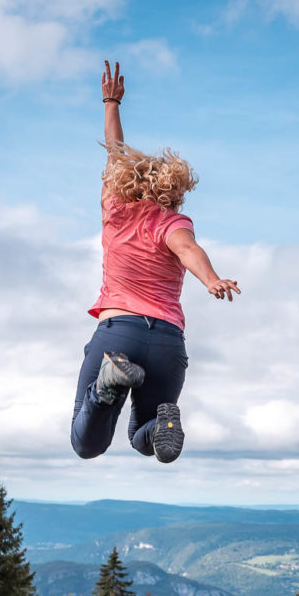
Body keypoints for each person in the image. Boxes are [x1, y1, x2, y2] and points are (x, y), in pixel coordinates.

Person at [71, 61, 240, 462]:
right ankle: (162, 422)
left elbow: (114, 150)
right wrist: (211, 279)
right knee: (143, 435)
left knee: (87, 444)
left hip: (118, 332)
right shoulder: (173, 221)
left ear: (125, 182)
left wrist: (111, 102)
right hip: (167, 342)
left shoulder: (115, 208)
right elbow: (187, 250)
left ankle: (106, 385)